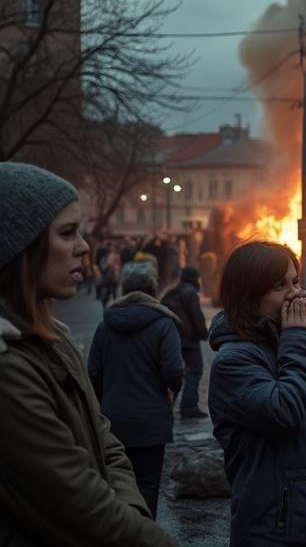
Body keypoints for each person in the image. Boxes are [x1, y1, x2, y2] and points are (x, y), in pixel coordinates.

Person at [0, 162, 175, 546]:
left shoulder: (54, 339)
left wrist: (130, 511)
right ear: (20, 248)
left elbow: (108, 445)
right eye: (67, 233)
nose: (83, 246)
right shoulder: (7, 367)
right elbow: (80, 505)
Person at [208, 241, 306, 546]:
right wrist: (298, 338)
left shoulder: (289, 339)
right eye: (280, 285)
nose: (296, 294)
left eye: (296, 282)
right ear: (249, 296)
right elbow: (285, 412)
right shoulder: (234, 361)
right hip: (275, 531)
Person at [87, 262, 185, 519]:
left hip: (112, 421)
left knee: (116, 485)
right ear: (154, 290)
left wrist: (103, 406)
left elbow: (93, 375)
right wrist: (172, 389)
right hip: (151, 423)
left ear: (125, 289)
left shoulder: (104, 326)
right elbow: (174, 373)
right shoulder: (164, 325)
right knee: (147, 485)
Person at [160, 265, 210, 419]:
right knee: (195, 370)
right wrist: (203, 333)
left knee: (174, 372)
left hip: (172, 340)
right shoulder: (190, 293)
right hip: (189, 341)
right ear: (195, 279)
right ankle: (189, 406)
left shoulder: (170, 293)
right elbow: (197, 317)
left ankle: (168, 407)